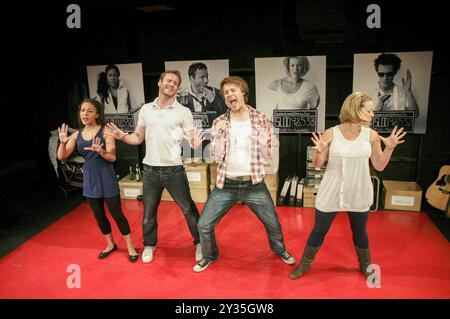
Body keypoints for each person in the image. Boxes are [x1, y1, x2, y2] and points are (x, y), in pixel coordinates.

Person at [289, 92, 406, 280]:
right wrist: (318, 152)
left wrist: (390, 148)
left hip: (358, 191)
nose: (373, 114)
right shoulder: (331, 133)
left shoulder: (372, 135)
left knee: (360, 231)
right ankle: (304, 265)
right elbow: (318, 164)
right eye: (369, 110)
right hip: (332, 190)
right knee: (319, 230)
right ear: (355, 109)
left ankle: (365, 265)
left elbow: (379, 165)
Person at [193, 76, 296, 272]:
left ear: (243, 93)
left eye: (233, 90)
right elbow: (214, 157)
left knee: (273, 223)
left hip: (253, 185)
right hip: (226, 185)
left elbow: (268, 154)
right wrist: (220, 135)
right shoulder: (219, 122)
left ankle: (280, 250)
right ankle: (209, 255)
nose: (230, 94)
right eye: (226, 93)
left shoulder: (260, 119)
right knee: (204, 224)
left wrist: (267, 152)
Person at [104, 71, 205, 264]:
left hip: (174, 170)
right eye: (168, 80)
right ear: (159, 82)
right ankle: (149, 244)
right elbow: (138, 137)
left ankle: (200, 243)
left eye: (175, 83)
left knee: (189, 210)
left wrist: (194, 144)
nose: (172, 84)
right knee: (148, 213)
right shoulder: (146, 110)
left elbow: (192, 140)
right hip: (150, 170)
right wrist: (123, 136)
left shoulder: (183, 112)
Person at [57, 99, 139, 262]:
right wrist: (62, 142)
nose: (85, 114)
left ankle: (130, 247)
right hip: (90, 178)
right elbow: (62, 156)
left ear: (97, 114)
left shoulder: (105, 132)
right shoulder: (76, 134)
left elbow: (112, 157)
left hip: (106, 175)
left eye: (89, 111)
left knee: (117, 214)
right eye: (82, 111)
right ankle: (110, 244)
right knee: (99, 215)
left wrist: (100, 151)